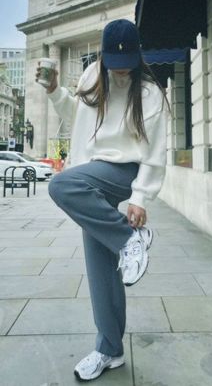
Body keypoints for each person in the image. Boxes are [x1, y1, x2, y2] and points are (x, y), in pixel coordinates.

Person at [36, 19, 168, 382]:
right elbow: (79, 117)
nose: (119, 69)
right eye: (113, 62)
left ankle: (130, 239)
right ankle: (109, 349)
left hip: (124, 172)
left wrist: (140, 198)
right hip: (92, 171)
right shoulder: (95, 73)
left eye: (126, 63)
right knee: (101, 271)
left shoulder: (150, 94)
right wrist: (53, 91)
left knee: (60, 186)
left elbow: (156, 153)